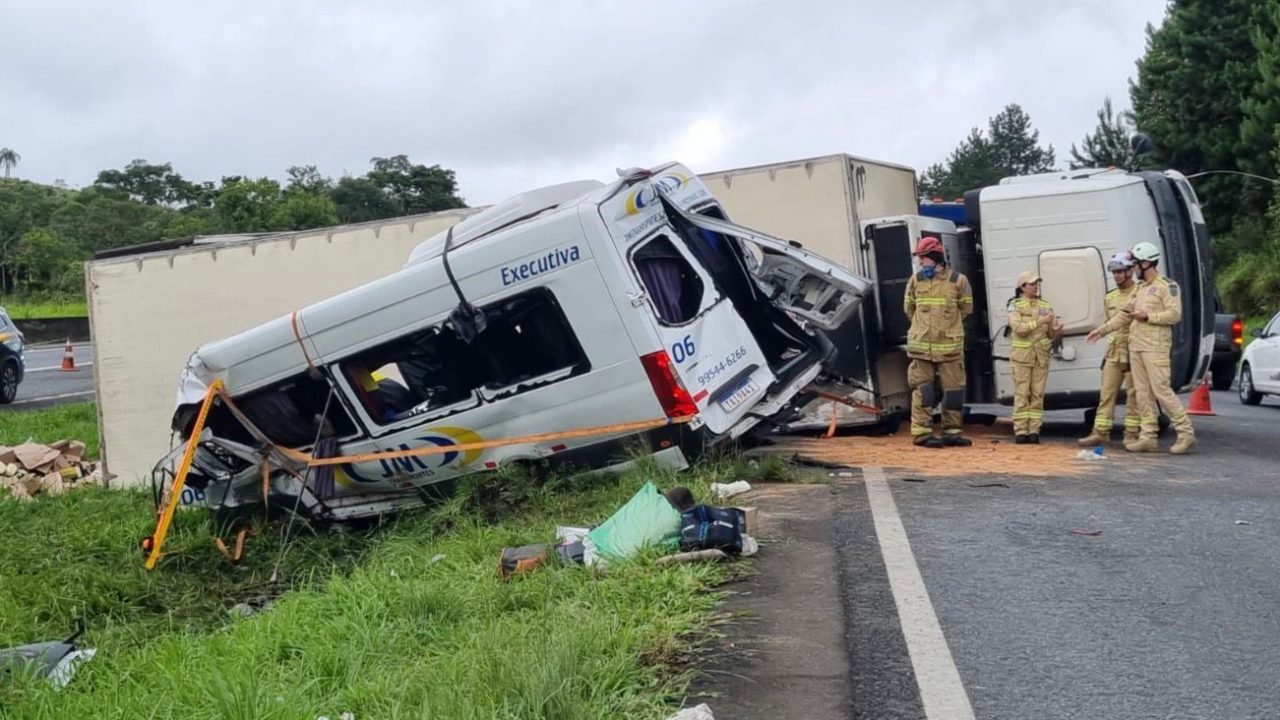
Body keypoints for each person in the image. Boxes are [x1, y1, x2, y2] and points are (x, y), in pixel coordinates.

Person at [1087, 242, 1195, 454]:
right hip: (1136, 347)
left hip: (1155, 348)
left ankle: (1185, 432)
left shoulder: (1167, 286)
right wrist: (1101, 331)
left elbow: (1175, 315)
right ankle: (1148, 436)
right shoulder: (1141, 289)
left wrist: (1149, 316)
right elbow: (1125, 315)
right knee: (1143, 393)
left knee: (1161, 391)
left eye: (1135, 264)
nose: (1132, 268)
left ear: (1146, 263)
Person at [904, 236, 974, 448]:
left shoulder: (958, 281)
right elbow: (909, 309)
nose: (920, 262)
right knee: (923, 391)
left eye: (923, 258)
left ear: (935, 258)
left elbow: (966, 309)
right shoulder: (915, 281)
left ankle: (952, 432)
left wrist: (947, 327)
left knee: (953, 392)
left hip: (950, 348)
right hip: (921, 348)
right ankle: (922, 434)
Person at [1078, 253, 1142, 447]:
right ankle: (1100, 432)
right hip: (1114, 352)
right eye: (1114, 272)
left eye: (1120, 271)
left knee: (1134, 395)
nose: (1117, 276)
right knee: (1106, 394)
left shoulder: (1140, 293)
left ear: (1130, 271)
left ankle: (1131, 434)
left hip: (1133, 351)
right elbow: (1109, 321)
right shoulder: (1110, 297)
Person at [1008, 270, 1062, 444]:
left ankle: (1034, 430)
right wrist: (1040, 322)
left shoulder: (1046, 305)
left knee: (1037, 394)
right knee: (1022, 393)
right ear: (1022, 287)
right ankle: (1021, 430)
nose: (1035, 286)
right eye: (1032, 284)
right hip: (1022, 357)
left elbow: (1051, 333)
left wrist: (1057, 330)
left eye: (1036, 283)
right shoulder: (1015, 305)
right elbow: (1019, 329)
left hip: (1041, 357)